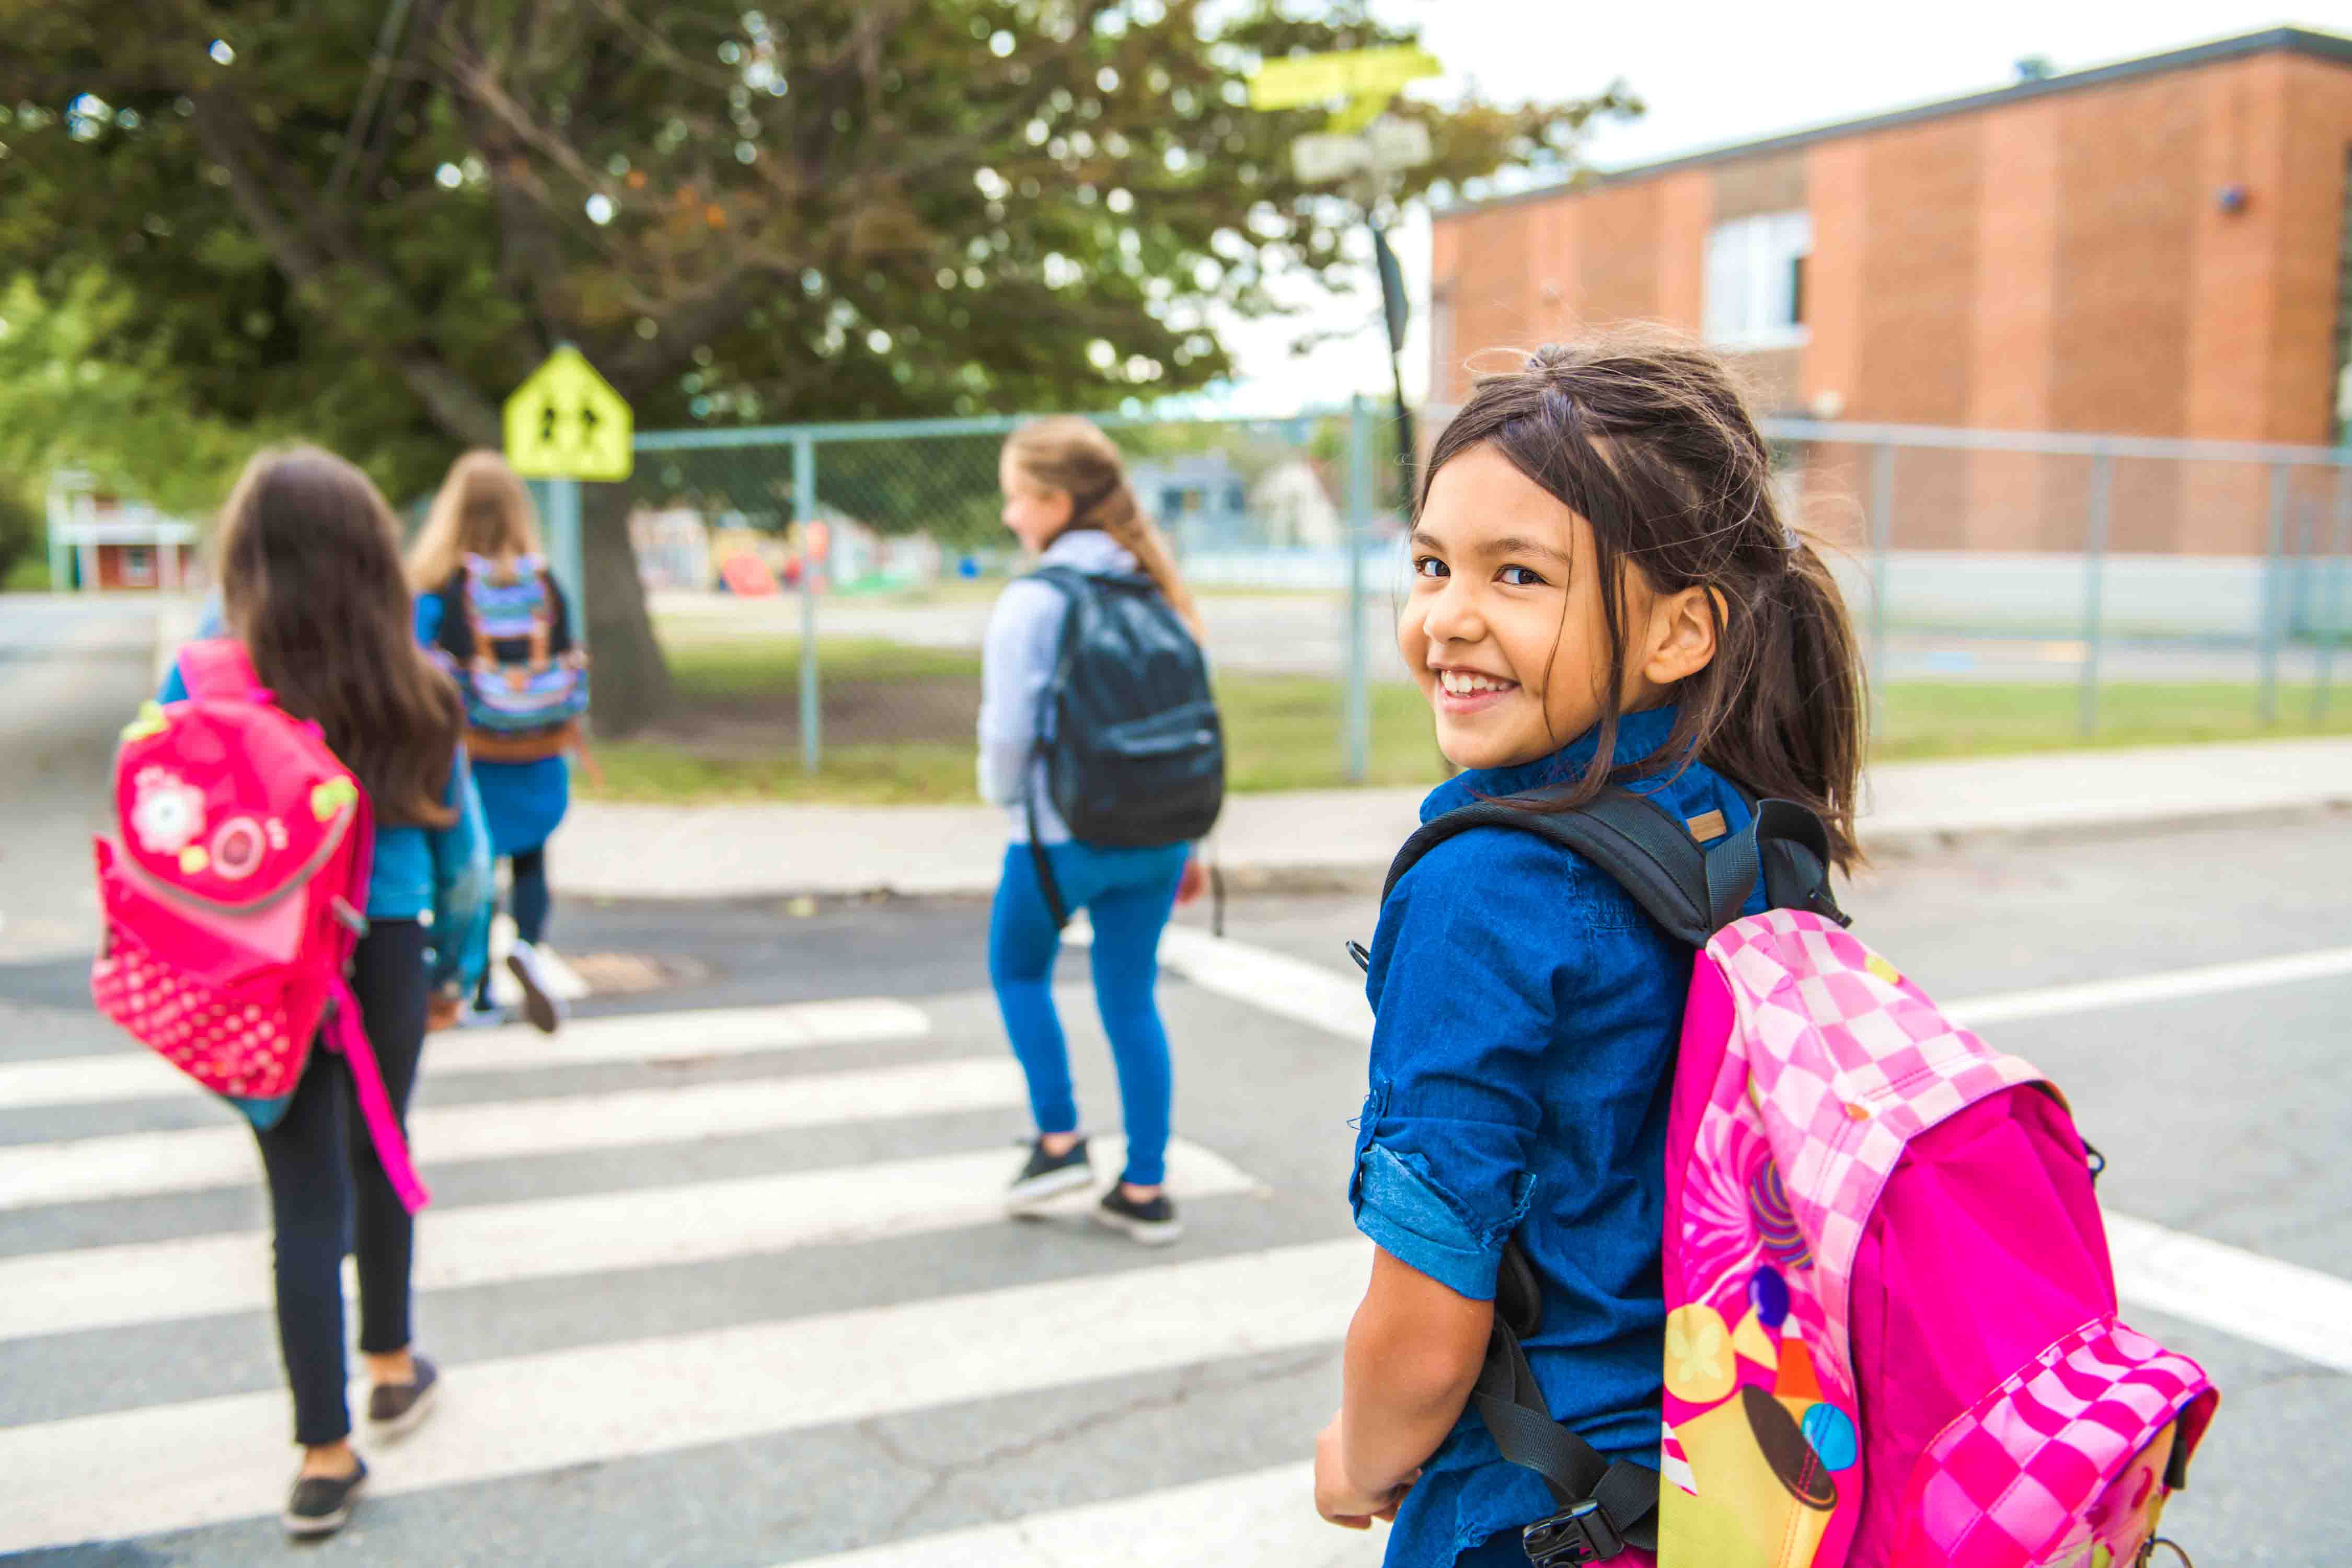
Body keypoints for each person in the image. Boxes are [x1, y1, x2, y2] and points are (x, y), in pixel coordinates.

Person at [1313, 333, 1866, 1566]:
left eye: (1517, 574)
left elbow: (1428, 1303)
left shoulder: (1481, 886)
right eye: (1429, 563)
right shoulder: (1745, 823)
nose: (1445, 617)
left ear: (1677, 632)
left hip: (1538, 1505)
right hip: (1735, 1482)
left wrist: (1355, 1452)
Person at [159, 447, 492, 1539]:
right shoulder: (417, 683)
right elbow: (468, 864)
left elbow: (168, 833)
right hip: (383, 947)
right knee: (383, 1149)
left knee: (300, 1196)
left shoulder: (201, 678)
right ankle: (392, 1360)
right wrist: (455, 970)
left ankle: (323, 1451)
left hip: (255, 964)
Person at [980, 417, 1212, 1246]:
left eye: (1017, 499)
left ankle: (1058, 1140)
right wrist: (1191, 844)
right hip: (1158, 837)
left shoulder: (1035, 600)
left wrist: (1004, 804)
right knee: (1130, 996)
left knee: (1016, 970)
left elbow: (1008, 737)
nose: (1011, 516)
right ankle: (1145, 1188)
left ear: (1053, 500)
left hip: (1057, 836)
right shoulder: (1159, 590)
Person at [408, 450, 586, 1033]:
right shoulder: (544, 585)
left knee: (474, 865)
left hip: (470, 752)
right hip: (539, 747)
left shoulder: (438, 590)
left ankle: (479, 987)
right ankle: (529, 946)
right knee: (531, 857)